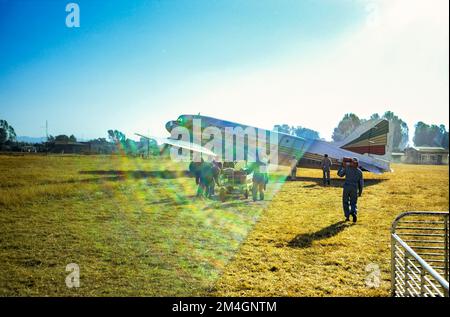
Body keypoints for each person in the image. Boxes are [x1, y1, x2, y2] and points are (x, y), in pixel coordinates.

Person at [337, 157, 364, 222]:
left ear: (351, 163)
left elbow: (340, 174)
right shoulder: (360, 172)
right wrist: (360, 192)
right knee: (353, 202)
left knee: (345, 202)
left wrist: (342, 166)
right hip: (354, 188)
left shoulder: (347, 168)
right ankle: (353, 212)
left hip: (347, 187)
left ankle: (347, 216)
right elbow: (361, 183)